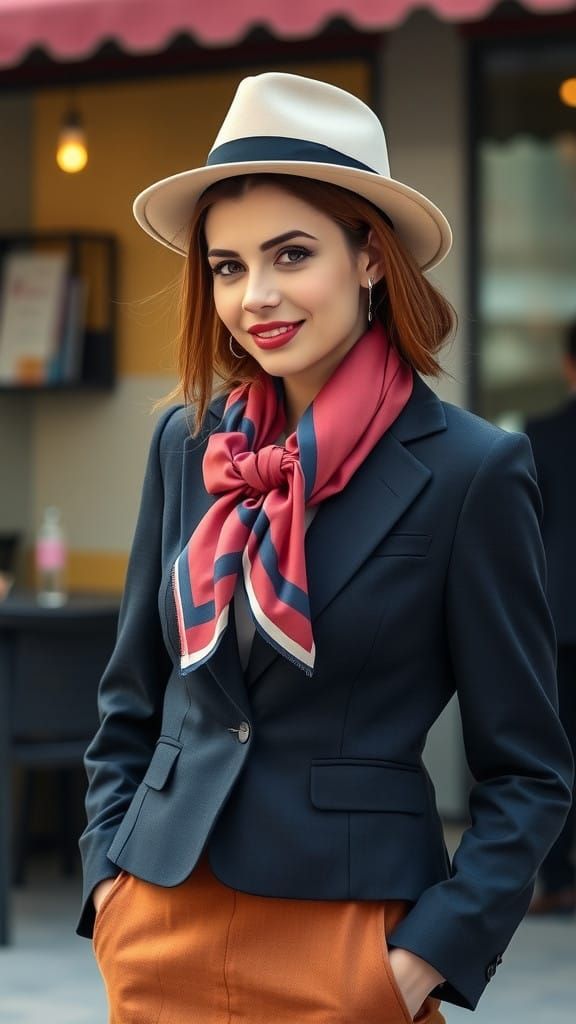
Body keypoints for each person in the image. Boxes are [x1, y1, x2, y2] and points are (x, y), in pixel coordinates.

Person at [77, 72, 574, 1024]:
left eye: (290, 254)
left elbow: (529, 771)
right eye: (226, 267)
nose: (255, 296)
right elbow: (131, 698)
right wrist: (110, 888)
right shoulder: (189, 446)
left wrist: (422, 960)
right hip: (157, 928)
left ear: (372, 258)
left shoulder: (473, 470)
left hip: (346, 949)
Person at [525, 322, 576, 916]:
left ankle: (558, 878)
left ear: (568, 365)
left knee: (558, 749)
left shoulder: (542, 435)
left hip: (560, 614)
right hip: (559, 615)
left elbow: (528, 531)